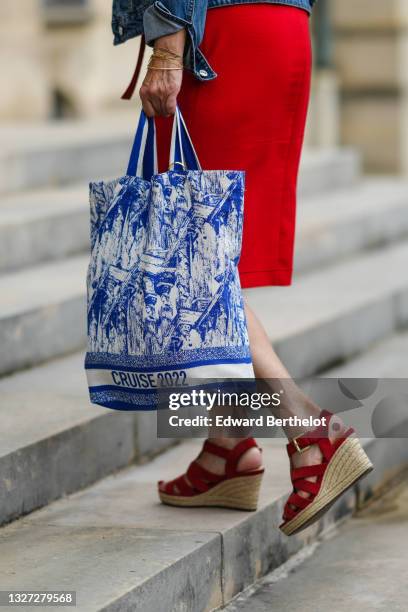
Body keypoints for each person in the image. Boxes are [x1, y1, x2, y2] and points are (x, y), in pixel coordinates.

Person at [111, 0, 373, 535]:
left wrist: (167, 44)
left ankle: (309, 428)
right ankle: (226, 450)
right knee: (212, 248)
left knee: (192, 250)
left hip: (219, 36)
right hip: (284, 30)